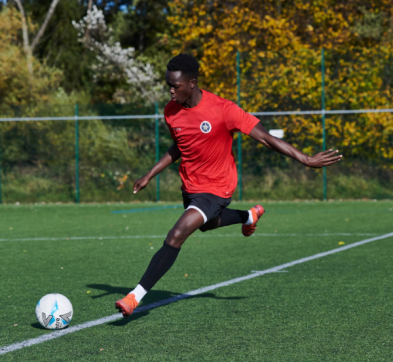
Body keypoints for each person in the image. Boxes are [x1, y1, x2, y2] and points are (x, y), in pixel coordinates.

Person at [115, 53, 342, 317]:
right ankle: (249, 216)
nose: (170, 90)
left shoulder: (224, 109)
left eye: (175, 85)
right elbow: (180, 145)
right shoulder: (171, 111)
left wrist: (304, 158)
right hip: (191, 186)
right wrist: (149, 174)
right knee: (208, 224)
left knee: (176, 234)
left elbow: (266, 138)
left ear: (192, 83)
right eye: (168, 84)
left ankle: (134, 297)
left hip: (217, 187)